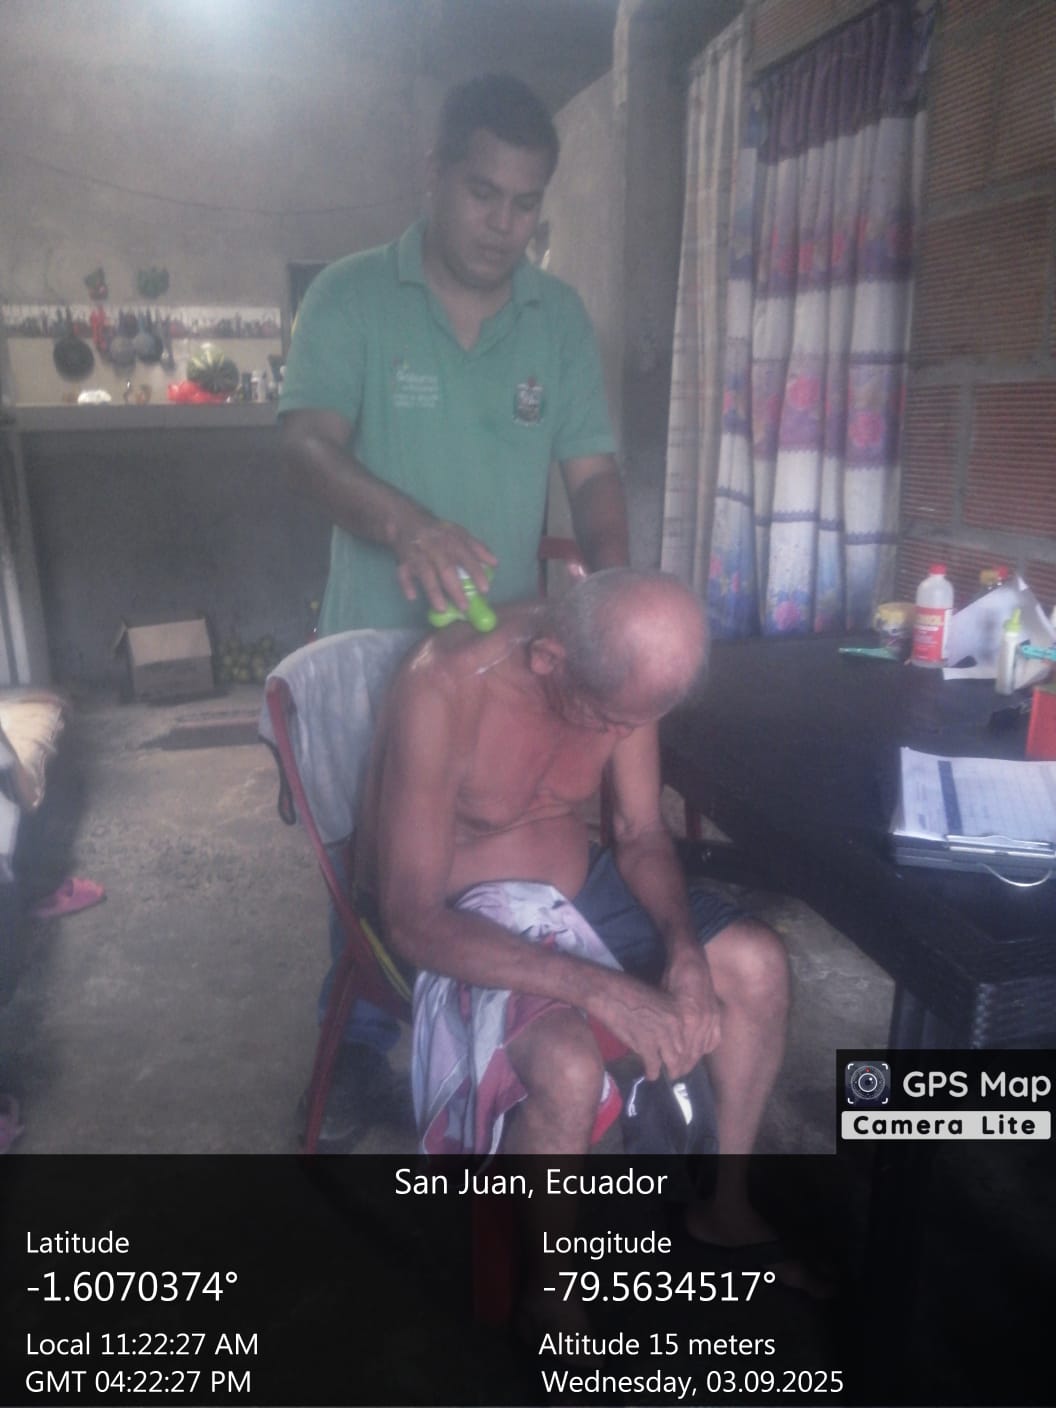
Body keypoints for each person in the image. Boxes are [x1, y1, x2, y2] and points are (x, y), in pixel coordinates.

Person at [278, 73, 628, 1148]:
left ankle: (504, 1034)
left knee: (496, 845)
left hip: (497, 659)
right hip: (374, 646)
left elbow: (594, 475)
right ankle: (360, 1044)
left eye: (526, 204)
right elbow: (305, 446)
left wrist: (615, 591)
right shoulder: (351, 295)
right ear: (433, 175)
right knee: (380, 868)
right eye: (483, 194)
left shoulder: (555, 317)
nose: (503, 225)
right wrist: (407, 525)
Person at [358, 570, 797, 1288]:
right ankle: (548, 1295)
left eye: (636, 721)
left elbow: (640, 832)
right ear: (548, 659)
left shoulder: (625, 673)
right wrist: (601, 990)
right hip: (463, 910)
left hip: (578, 888)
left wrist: (684, 950)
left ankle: (725, 1203)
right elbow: (411, 919)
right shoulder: (444, 688)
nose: (623, 736)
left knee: (756, 964)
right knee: (565, 1063)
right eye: (610, 721)